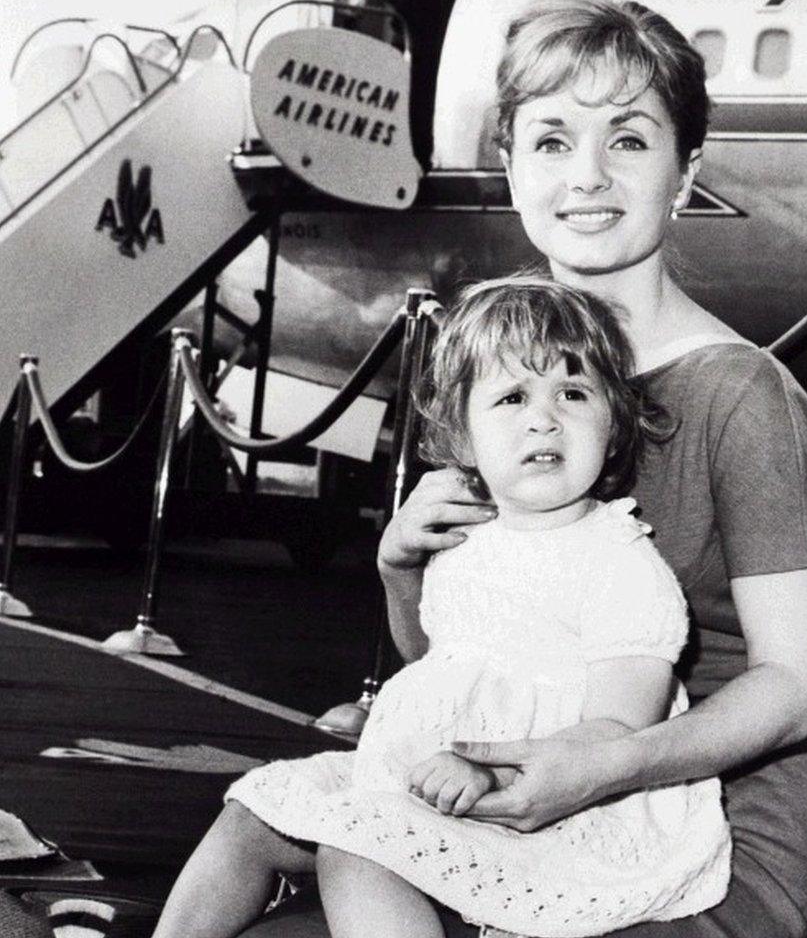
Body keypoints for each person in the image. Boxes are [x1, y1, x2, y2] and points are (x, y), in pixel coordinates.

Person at [377, 0, 807, 938]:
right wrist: (400, 566)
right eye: (550, 141)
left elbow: (796, 688)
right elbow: (455, 667)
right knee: (258, 834)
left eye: (627, 139)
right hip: (520, 792)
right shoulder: (501, 377)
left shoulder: (742, 395)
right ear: (509, 166)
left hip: (702, 835)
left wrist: (606, 766)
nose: (586, 174)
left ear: (685, 172)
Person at [150, 279, 730, 938]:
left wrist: (487, 766)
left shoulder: (618, 562)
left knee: (356, 849)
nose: (543, 418)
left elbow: (617, 729)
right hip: (436, 777)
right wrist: (400, 572)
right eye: (512, 397)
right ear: (461, 433)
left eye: (572, 393)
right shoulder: (468, 536)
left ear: (615, 423)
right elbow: (437, 662)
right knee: (255, 809)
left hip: (567, 805)